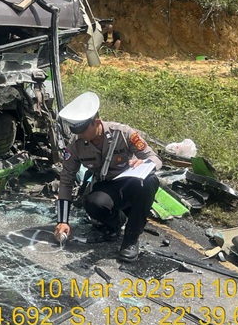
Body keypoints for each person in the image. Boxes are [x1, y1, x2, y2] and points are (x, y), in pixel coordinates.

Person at [53, 91, 161, 261]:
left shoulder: (123, 133)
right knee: (93, 204)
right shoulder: (76, 145)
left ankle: (131, 240)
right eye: (76, 131)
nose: (79, 135)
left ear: (96, 122)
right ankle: (115, 223)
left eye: (82, 130)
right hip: (105, 187)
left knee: (150, 180)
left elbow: (154, 158)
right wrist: (63, 220)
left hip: (130, 184)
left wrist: (146, 163)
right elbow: (66, 179)